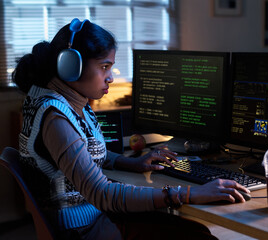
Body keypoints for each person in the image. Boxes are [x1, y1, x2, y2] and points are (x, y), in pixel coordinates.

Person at [13, 18, 250, 240]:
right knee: (197, 235)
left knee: (184, 226)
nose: (110, 78)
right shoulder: (57, 119)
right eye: (104, 66)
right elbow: (102, 194)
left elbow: (84, 156)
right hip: (84, 230)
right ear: (70, 66)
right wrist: (187, 193)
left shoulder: (65, 101)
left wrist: (133, 163)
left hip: (91, 217)